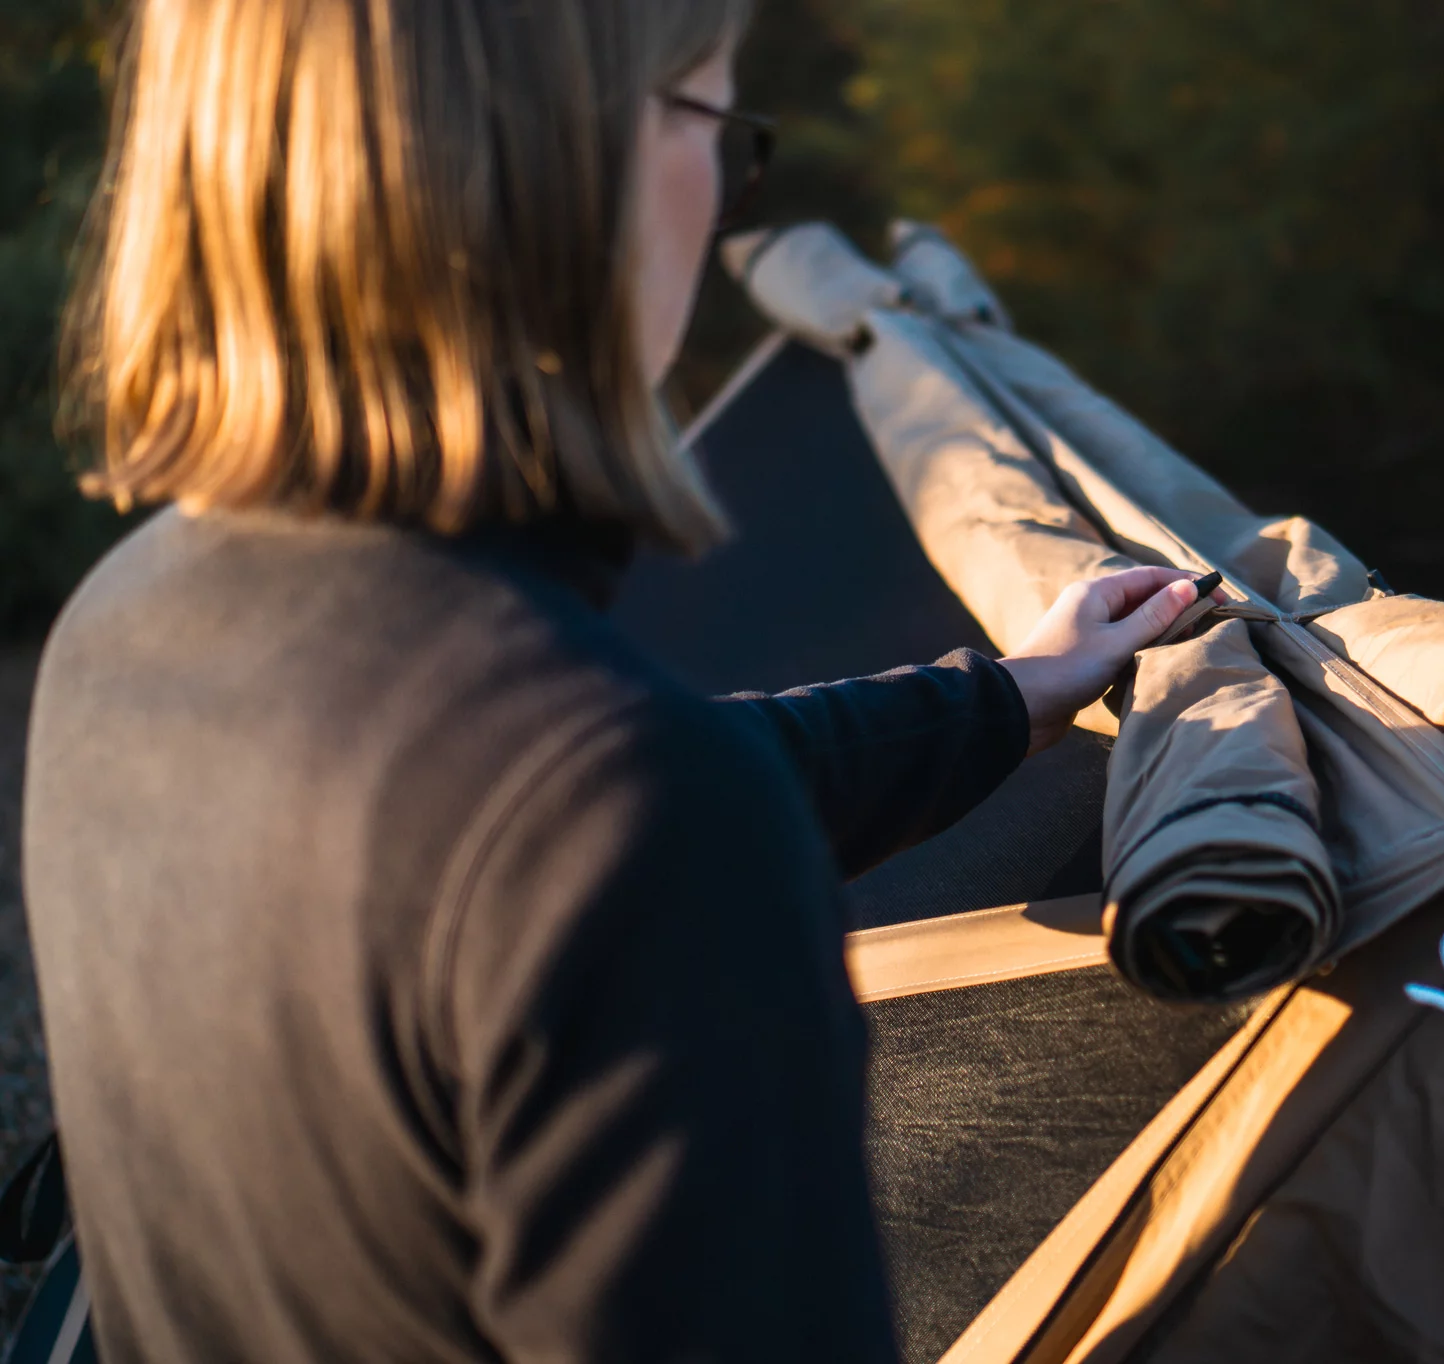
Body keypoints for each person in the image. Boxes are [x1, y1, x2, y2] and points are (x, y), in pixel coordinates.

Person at [20, 1, 1204, 1360]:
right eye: (712, 122)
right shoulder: (621, 818)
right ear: (560, 171)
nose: (721, 196)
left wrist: (1004, 696)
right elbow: (603, 822)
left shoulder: (126, 625)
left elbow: (533, 814)